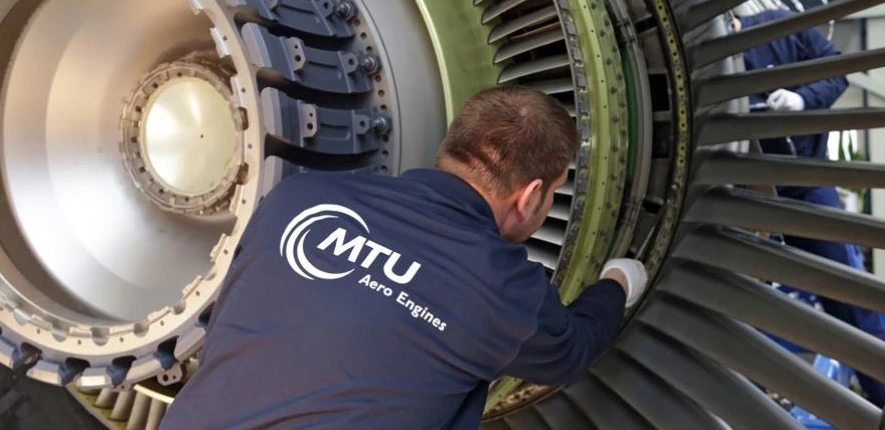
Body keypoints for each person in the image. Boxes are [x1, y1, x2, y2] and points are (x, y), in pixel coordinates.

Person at [158, 86, 648, 430]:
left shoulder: (297, 199)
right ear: (531, 195)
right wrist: (618, 281)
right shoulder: (503, 289)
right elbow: (572, 351)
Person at [735, 8, 885, 407]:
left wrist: (801, 99)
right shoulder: (699, 64)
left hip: (805, 188)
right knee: (741, 315)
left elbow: (837, 72)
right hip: (745, 200)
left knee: (850, 302)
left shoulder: (783, 28)